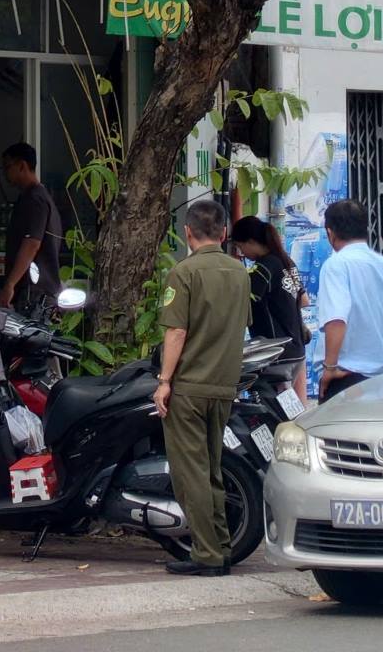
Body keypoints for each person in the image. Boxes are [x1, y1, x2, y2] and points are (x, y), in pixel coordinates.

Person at [152, 200, 251, 577]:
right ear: (224, 233)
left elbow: (176, 331)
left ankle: (207, 553)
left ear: (188, 233)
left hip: (189, 386)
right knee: (212, 468)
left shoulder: (184, 272)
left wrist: (164, 382)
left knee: (189, 472)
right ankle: (222, 547)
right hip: (224, 385)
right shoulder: (239, 273)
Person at [317, 199, 383, 403]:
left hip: (348, 378)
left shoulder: (336, 265)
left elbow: (336, 319)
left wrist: (329, 368)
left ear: (330, 233)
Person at [231, 216, 310, 404]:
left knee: (270, 412)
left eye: (241, 247)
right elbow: (304, 300)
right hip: (296, 350)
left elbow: (245, 302)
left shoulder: (263, 267)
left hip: (274, 353)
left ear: (251, 242)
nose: (242, 253)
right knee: (285, 411)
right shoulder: (287, 262)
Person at [0, 143, 62, 311]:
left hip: (34, 294)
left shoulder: (35, 199)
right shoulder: (37, 197)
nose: (5, 173)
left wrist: (10, 284)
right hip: (35, 292)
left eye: (7, 167)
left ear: (22, 166)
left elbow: (32, 243)